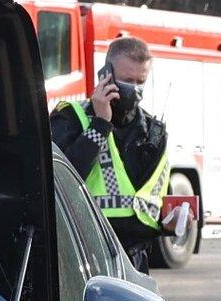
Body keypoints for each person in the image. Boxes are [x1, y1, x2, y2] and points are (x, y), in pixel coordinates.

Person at [51, 36, 169, 272]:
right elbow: (61, 182)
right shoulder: (71, 118)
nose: (134, 90)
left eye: (141, 81)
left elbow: (147, 202)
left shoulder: (154, 132)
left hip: (136, 258)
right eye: (127, 80)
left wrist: (171, 222)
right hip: (85, 255)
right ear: (105, 75)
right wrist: (100, 125)